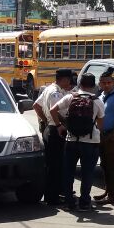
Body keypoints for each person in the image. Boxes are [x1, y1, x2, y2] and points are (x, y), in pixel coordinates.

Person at [50, 73, 105, 212]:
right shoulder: (97, 101)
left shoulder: (70, 97)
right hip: (91, 142)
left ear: (79, 83)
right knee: (88, 173)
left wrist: (59, 126)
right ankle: (85, 203)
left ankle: (69, 202)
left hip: (71, 140)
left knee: (68, 172)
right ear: (94, 86)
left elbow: (53, 110)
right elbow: (100, 124)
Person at [33, 69, 74, 205]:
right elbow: (58, 113)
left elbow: (36, 106)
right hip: (57, 130)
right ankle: (52, 197)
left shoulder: (48, 89)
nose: (70, 83)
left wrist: (46, 121)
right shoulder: (56, 93)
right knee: (55, 165)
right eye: (69, 80)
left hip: (50, 128)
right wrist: (59, 124)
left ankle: (52, 194)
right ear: (65, 79)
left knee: (52, 164)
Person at [94, 71, 114, 205]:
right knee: (104, 165)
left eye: (109, 83)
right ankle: (108, 192)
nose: (106, 85)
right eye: (104, 83)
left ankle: (113, 196)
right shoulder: (101, 96)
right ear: (100, 84)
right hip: (101, 136)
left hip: (112, 136)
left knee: (112, 166)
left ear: (113, 83)